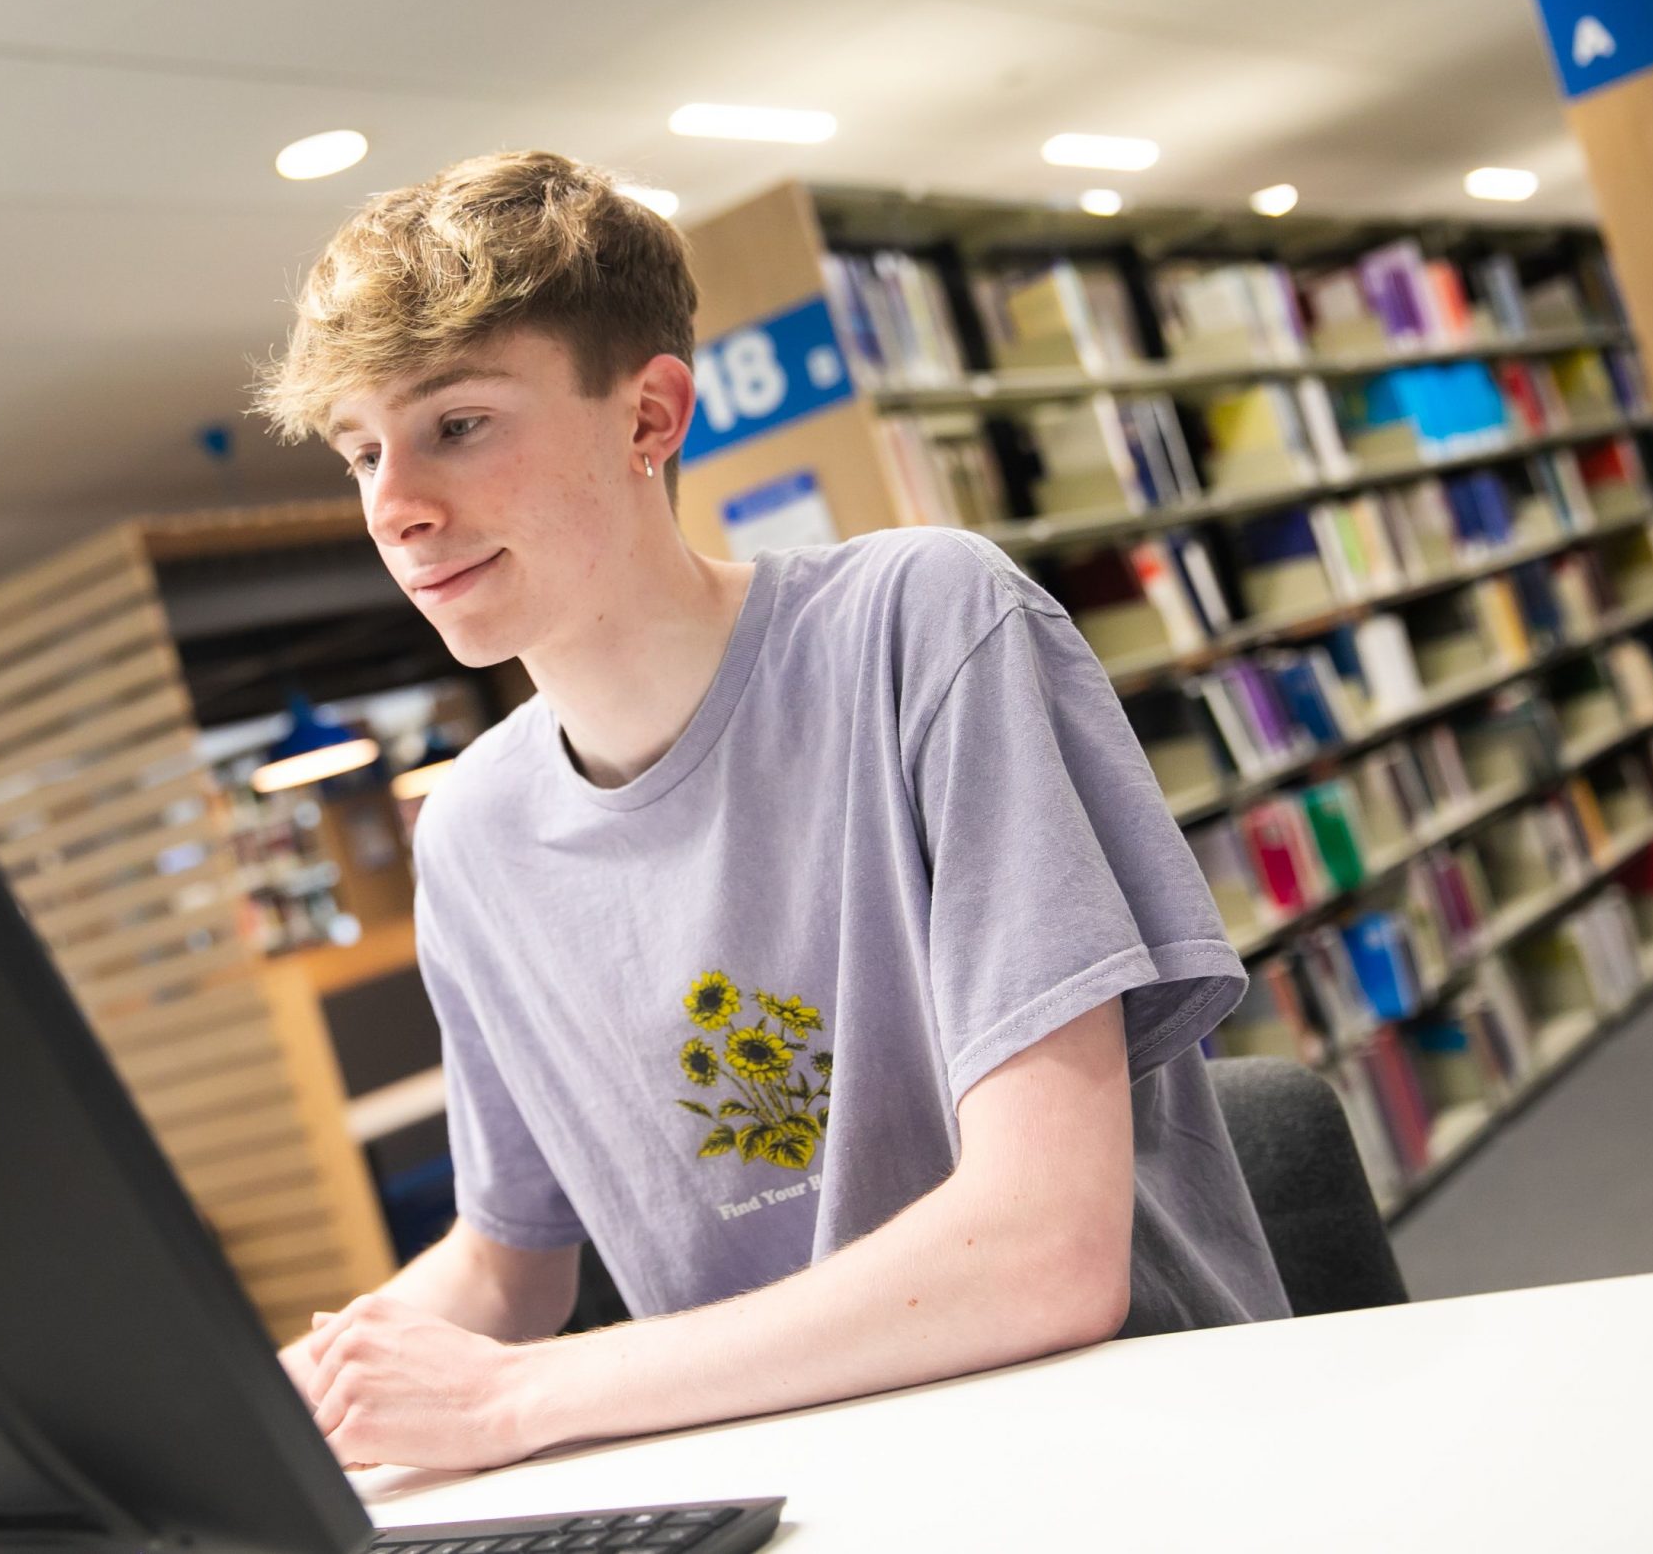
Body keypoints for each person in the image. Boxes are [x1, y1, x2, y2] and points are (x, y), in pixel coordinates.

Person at [249, 150, 1288, 1474]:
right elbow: (507, 1272)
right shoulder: (470, 839)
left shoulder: (924, 626)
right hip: (805, 1486)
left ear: (647, 420)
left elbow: (1046, 1255)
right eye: (361, 451)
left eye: (456, 425)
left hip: (1136, 1458)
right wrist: (263, 1414)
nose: (395, 507)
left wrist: (519, 1400)